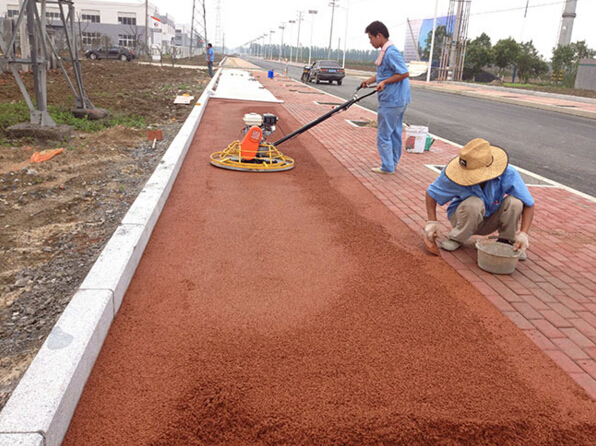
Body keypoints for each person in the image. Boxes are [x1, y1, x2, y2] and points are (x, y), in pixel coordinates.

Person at [424, 138, 535, 260]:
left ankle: (507, 241)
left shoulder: (508, 173)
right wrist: (432, 222)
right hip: (463, 218)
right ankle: (457, 238)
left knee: (515, 203)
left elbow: (529, 203)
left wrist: (524, 233)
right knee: (474, 203)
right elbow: (431, 194)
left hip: (491, 218)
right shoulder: (453, 174)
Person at [360, 21, 411, 174]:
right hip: (397, 100)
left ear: (379, 35)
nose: (370, 41)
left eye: (371, 38)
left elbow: (404, 73)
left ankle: (387, 166)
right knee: (395, 133)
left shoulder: (391, 52)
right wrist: (369, 81)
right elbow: (385, 73)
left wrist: (384, 82)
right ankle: (392, 163)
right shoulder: (386, 52)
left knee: (383, 135)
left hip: (392, 101)